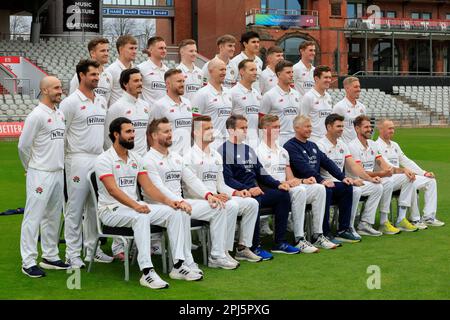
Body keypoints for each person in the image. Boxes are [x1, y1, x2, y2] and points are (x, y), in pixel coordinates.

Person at [95, 117, 201, 289]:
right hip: (110, 210)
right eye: (128, 132)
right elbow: (113, 190)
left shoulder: (136, 158)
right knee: (141, 217)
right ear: (116, 134)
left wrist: (170, 201)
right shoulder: (104, 159)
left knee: (175, 212)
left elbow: (149, 188)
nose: (132, 135)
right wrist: (135, 205)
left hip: (133, 207)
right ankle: (147, 272)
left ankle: (179, 265)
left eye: (133, 131)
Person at [143, 117, 237, 270]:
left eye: (171, 131)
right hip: (160, 205)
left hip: (180, 202)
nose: (170, 134)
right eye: (166, 132)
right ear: (154, 135)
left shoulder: (175, 157)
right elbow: (159, 188)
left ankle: (217, 255)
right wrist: (179, 202)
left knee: (219, 206)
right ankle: (186, 262)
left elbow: (192, 179)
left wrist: (209, 195)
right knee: (182, 212)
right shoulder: (148, 160)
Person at [220, 115, 300, 260]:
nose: (245, 131)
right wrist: (248, 189)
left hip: (255, 191)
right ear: (231, 130)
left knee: (282, 194)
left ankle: (280, 242)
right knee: (256, 199)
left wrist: (278, 184)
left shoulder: (248, 149)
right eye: (242, 128)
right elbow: (228, 179)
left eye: (246, 127)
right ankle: (252, 246)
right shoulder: (225, 150)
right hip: (239, 193)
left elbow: (261, 173)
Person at [185, 115, 262, 262]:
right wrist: (211, 195)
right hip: (197, 200)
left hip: (216, 197)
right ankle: (223, 251)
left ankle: (242, 248)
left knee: (252, 203)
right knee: (230, 205)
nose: (211, 131)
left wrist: (237, 192)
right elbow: (192, 186)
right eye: (206, 128)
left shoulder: (215, 155)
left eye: (212, 127)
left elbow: (220, 185)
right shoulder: (189, 156)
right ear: (195, 133)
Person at [59, 59, 112, 268]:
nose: (97, 78)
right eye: (93, 75)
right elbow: (61, 135)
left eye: (98, 74)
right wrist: (65, 160)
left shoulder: (100, 100)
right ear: (81, 75)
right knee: (75, 208)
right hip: (77, 158)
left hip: (98, 158)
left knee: (94, 208)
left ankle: (92, 249)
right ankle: (72, 254)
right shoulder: (70, 102)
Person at [18, 76, 70, 277]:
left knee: (53, 216)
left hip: (58, 172)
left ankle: (50, 256)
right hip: (40, 173)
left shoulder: (60, 113)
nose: (60, 90)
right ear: (45, 90)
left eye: (60, 87)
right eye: (56, 88)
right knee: (33, 217)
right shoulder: (36, 115)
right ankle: (28, 261)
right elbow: (23, 146)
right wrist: (29, 167)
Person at [284, 115, 355, 249]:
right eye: (307, 126)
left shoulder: (312, 145)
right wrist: (322, 180)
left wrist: (342, 177)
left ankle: (343, 229)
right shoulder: (290, 146)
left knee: (346, 187)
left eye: (310, 126)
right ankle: (324, 232)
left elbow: (327, 162)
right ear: (296, 128)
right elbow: (303, 168)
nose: (310, 129)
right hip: (304, 184)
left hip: (316, 182)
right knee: (325, 190)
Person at [257, 115, 324, 253]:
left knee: (318, 188)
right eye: (274, 127)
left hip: (285, 187)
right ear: (264, 129)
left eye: (279, 127)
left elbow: (291, 178)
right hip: (270, 189)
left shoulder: (283, 151)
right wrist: (281, 184)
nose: (278, 130)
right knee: (299, 191)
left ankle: (318, 234)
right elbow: (261, 179)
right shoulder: (258, 151)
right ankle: (299, 238)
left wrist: (302, 181)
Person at [348, 115, 418, 235]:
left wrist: (403, 170)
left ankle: (400, 219)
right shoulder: (352, 146)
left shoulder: (372, 144)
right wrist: (381, 174)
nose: (370, 129)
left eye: (370, 126)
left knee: (407, 178)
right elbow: (360, 172)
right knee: (384, 183)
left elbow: (386, 166)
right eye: (366, 127)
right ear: (357, 129)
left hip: (371, 179)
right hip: (358, 180)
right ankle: (381, 221)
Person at [317, 114, 383, 238]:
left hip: (342, 181)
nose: (342, 129)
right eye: (338, 126)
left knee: (376, 187)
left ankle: (364, 224)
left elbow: (353, 165)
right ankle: (348, 227)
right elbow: (326, 167)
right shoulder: (320, 145)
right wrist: (351, 180)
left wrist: (369, 179)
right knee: (355, 190)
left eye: (342, 126)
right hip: (328, 183)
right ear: (329, 127)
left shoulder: (342, 144)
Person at [376, 119, 444, 228]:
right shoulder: (376, 145)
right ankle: (414, 219)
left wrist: (424, 173)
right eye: (389, 128)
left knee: (431, 181)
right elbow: (386, 165)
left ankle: (428, 217)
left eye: (393, 128)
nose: (392, 131)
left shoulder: (394, 145)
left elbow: (406, 161)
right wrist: (404, 171)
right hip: (388, 180)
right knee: (409, 179)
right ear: (380, 129)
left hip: (401, 177)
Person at [104, 68, 151, 157]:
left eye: (141, 80)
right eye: (136, 81)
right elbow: (107, 137)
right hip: (125, 161)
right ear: (125, 84)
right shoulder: (117, 107)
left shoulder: (146, 106)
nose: (140, 83)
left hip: (144, 159)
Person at [150, 69, 193, 156]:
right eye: (179, 81)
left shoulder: (188, 103)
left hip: (187, 157)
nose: (182, 84)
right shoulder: (159, 105)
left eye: (183, 81)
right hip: (169, 157)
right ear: (168, 84)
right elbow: (151, 133)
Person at [192, 58, 232, 150]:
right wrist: (201, 145)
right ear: (211, 71)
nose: (224, 72)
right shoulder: (202, 93)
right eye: (221, 69)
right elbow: (195, 121)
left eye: (225, 69)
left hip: (227, 143)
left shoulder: (228, 93)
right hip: (210, 144)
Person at [260, 60, 301, 146]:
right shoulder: (269, 95)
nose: (291, 75)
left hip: (295, 139)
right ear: (279, 74)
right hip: (278, 140)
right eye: (288, 72)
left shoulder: (297, 94)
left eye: (292, 72)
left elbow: (299, 118)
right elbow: (261, 121)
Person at [229, 59, 261, 149]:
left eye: (256, 70)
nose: (255, 73)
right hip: (239, 141)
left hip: (255, 141)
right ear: (242, 72)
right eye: (251, 70)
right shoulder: (232, 93)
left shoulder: (256, 93)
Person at [98, 35, 138, 106]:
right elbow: (105, 98)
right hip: (117, 114)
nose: (134, 51)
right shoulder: (111, 71)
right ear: (121, 49)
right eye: (131, 48)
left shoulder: (136, 70)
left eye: (136, 48)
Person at [300, 65, 333, 143]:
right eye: (325, 77)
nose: (328, 80)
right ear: (316, 79)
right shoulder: (308, 97)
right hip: (313, 140)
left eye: (329, 77)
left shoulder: (328, 96)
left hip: (327, 140)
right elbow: (303, 121)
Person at [332, 76, 367, 143]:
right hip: (346, 148)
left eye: (359, 86)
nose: (359, 89)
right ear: (347, 88)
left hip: (360, 148)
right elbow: (334, 130)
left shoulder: (362, 107)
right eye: (356, 87)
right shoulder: (339, 107)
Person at [138, 36, 169, 105]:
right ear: (150, 50)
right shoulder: (141, 69)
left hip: (165, 113)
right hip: (148, 114)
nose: (164, 51)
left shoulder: (168, 71)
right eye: (161, 48)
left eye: (165, 48)